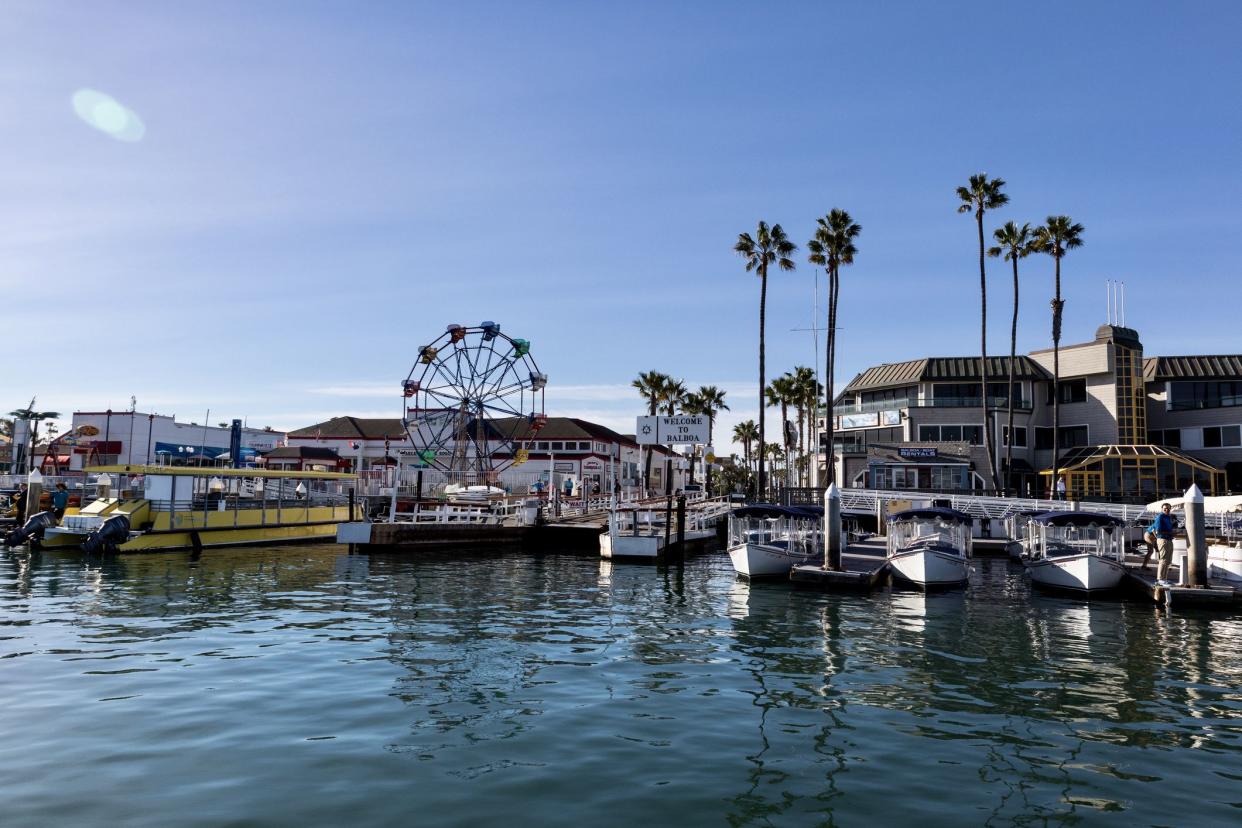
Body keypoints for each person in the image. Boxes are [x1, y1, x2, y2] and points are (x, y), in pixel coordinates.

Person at [1149, 502, 1177, 586]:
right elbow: (1158, 531)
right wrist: (1170, 533)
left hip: (1168, 539)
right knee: (1163, 560)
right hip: (1163, 539)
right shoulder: (1160, 517)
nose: (1167, 510)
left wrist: (1172, 533)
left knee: (1168, 560)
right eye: (1165, 508)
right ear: (1162, 509)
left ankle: (1164, 579)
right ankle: (1160, 579)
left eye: (1168, 508)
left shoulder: (1168, 517)